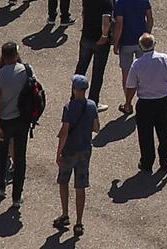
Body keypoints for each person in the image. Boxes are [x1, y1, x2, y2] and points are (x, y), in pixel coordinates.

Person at [126, 33, 167, 176]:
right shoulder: (165, 59)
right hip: (163, 101)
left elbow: (131, 86)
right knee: (165, 133)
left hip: (145, 104)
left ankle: (147, 163)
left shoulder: (137, 64)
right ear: (155, 44)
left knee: (145, 135)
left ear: (141, 46)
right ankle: (165, 162)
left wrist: (128, 102)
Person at [0, 41, 39, 207]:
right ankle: (17, 196)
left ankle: (0, 187)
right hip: (22, 120)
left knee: (2, 154)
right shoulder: (26, 70)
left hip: (5, 120)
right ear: (16, 55)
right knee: (20, 157)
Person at [53, 72, 98, 235]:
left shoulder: (69, 107)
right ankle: (79, 222)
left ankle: (65, 214)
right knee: (80, 186)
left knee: (63, 181)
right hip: (85, 151)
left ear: (74, 89)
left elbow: (64, 132)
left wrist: (58, 152)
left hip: (70, 151)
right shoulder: (92, 105)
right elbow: (96, 127)